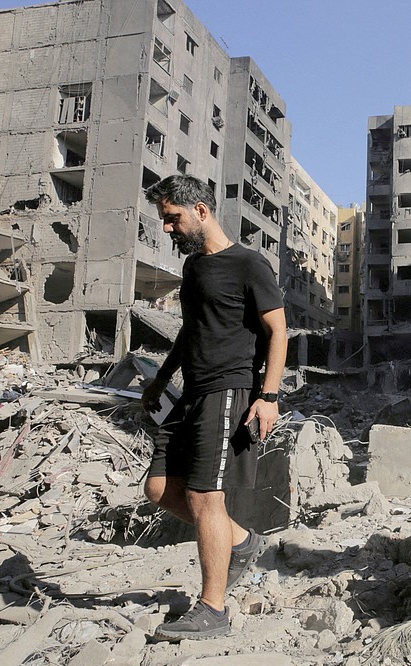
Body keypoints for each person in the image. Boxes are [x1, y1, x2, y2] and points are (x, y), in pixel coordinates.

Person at [140, 175, 288, 642]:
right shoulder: (193, 271)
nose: (167, 229)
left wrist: (268, 397)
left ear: (201, 210)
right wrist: (162, 379)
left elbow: (278, 332)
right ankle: (242, 541)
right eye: (164, 220)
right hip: (192, 391)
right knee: (159, 488)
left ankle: (213, 608)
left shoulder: (249, 264)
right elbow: (190, 331)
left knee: (206, 498)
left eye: (172, 219)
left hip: (229, 390)